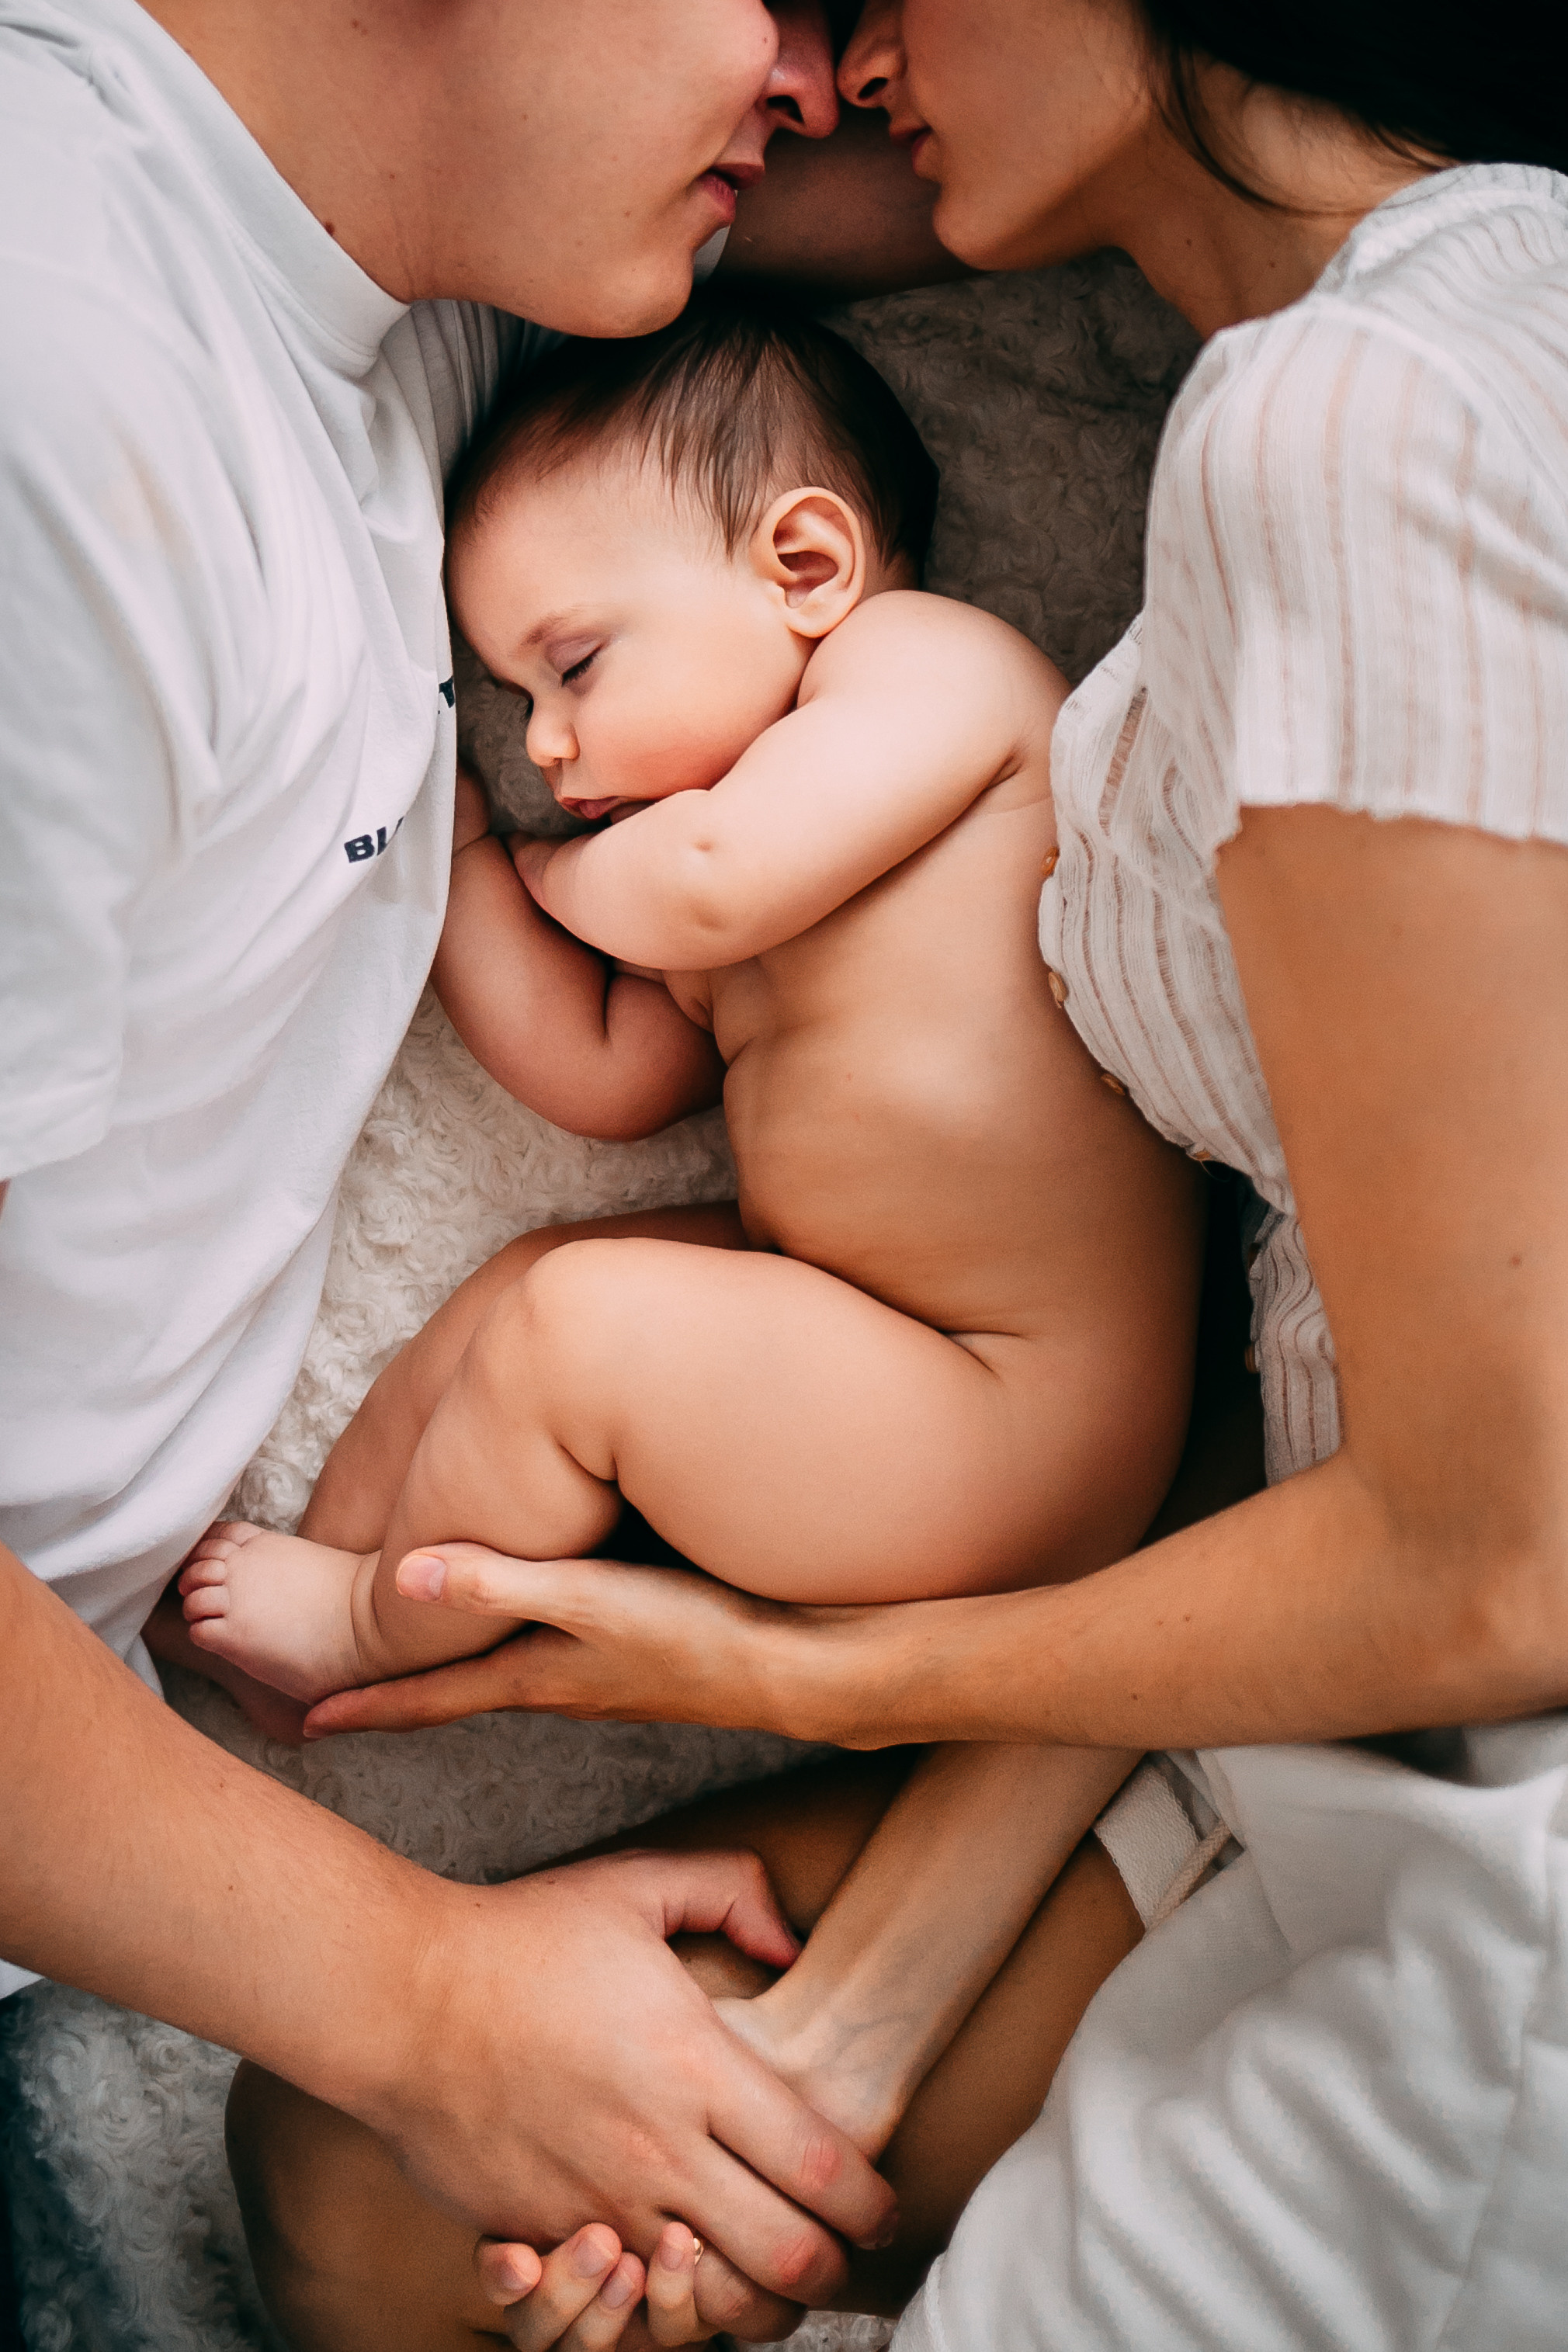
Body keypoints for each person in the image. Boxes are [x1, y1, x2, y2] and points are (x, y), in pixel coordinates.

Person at [258, 0, 1568, 2346]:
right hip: (1273, 1622)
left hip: (1462, 1766)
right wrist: (866, 1988)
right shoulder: (1378, 359)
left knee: (434, 2205)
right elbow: (1308, 1353)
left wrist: (794, 1669)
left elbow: (1499, 1552)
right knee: (360, 2173)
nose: (824, 59)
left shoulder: (1349, 418)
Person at [0, 0, 988, 2333]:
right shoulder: (58, 396)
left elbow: (980, 158)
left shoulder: (397, 296)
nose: (821, 77)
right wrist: (430, 2003)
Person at [176, 293, 1199, 1710]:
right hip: (871, 1344)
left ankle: (371, 1617)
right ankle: (325, 1558)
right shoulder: (721, 874)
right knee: (525, 1285)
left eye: (576, 664)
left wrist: (551, 868)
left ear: (806, 563)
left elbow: (711, 880)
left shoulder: (931, 671)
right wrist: (465, 860)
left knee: (577, 1329)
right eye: (515, 695)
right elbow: (605, 1076)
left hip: (1013, 1417)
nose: (542, 741)